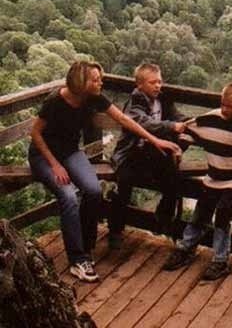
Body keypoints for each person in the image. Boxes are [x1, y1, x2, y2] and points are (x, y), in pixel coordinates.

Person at [29, 61, 181, 283]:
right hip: (44, 156)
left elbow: (123, 119)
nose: (101, 81)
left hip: (70, 152)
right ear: (82, 82)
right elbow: (35, 133)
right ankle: (77, 259)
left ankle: (86, 246)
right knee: (69, 197)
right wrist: (55, 165)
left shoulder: (94, 97)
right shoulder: (55, 101)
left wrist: (155, 139)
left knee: (93, 191)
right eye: (96, 79)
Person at [162, 83, 232, 280]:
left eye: (230, 106)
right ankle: (185, 248)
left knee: (223, 214)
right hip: (214, 178)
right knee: (201, 212)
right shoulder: (211, 118)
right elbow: (189, 129)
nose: (224, 110)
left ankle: (220, 259)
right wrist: (178, 148)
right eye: (223, 105)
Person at [108, 63, 189, 248]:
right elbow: (143, 122)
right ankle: (115, 230)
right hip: (132, 153)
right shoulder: (135, 102)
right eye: (152, 82)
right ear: (140, 85)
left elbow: (177, 116)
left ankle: (163, 217)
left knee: (174, 180)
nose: (157, 86)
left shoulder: (164, 99)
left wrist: (186, 123)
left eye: (159, 82)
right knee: (124, 183)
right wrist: (170, 126)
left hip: (154, 154)